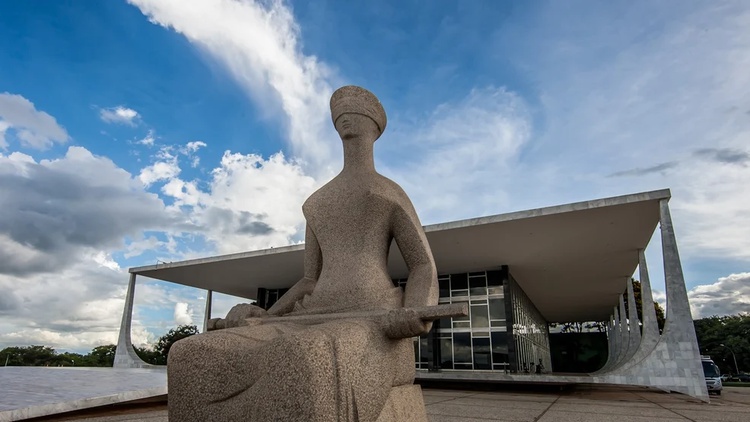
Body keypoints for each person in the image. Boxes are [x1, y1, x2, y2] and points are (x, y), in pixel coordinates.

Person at [168, 86, 438, 422]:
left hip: (373, 320)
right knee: (191, 354)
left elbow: (423, 264)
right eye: (339, 112)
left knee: (303, 356)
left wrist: (413, 312)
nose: (346, 117)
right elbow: (310, 280)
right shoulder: (317, 202)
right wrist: (267, 315)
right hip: (311, 315)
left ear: (376, 126)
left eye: (356, 111)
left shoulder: (388, 193)